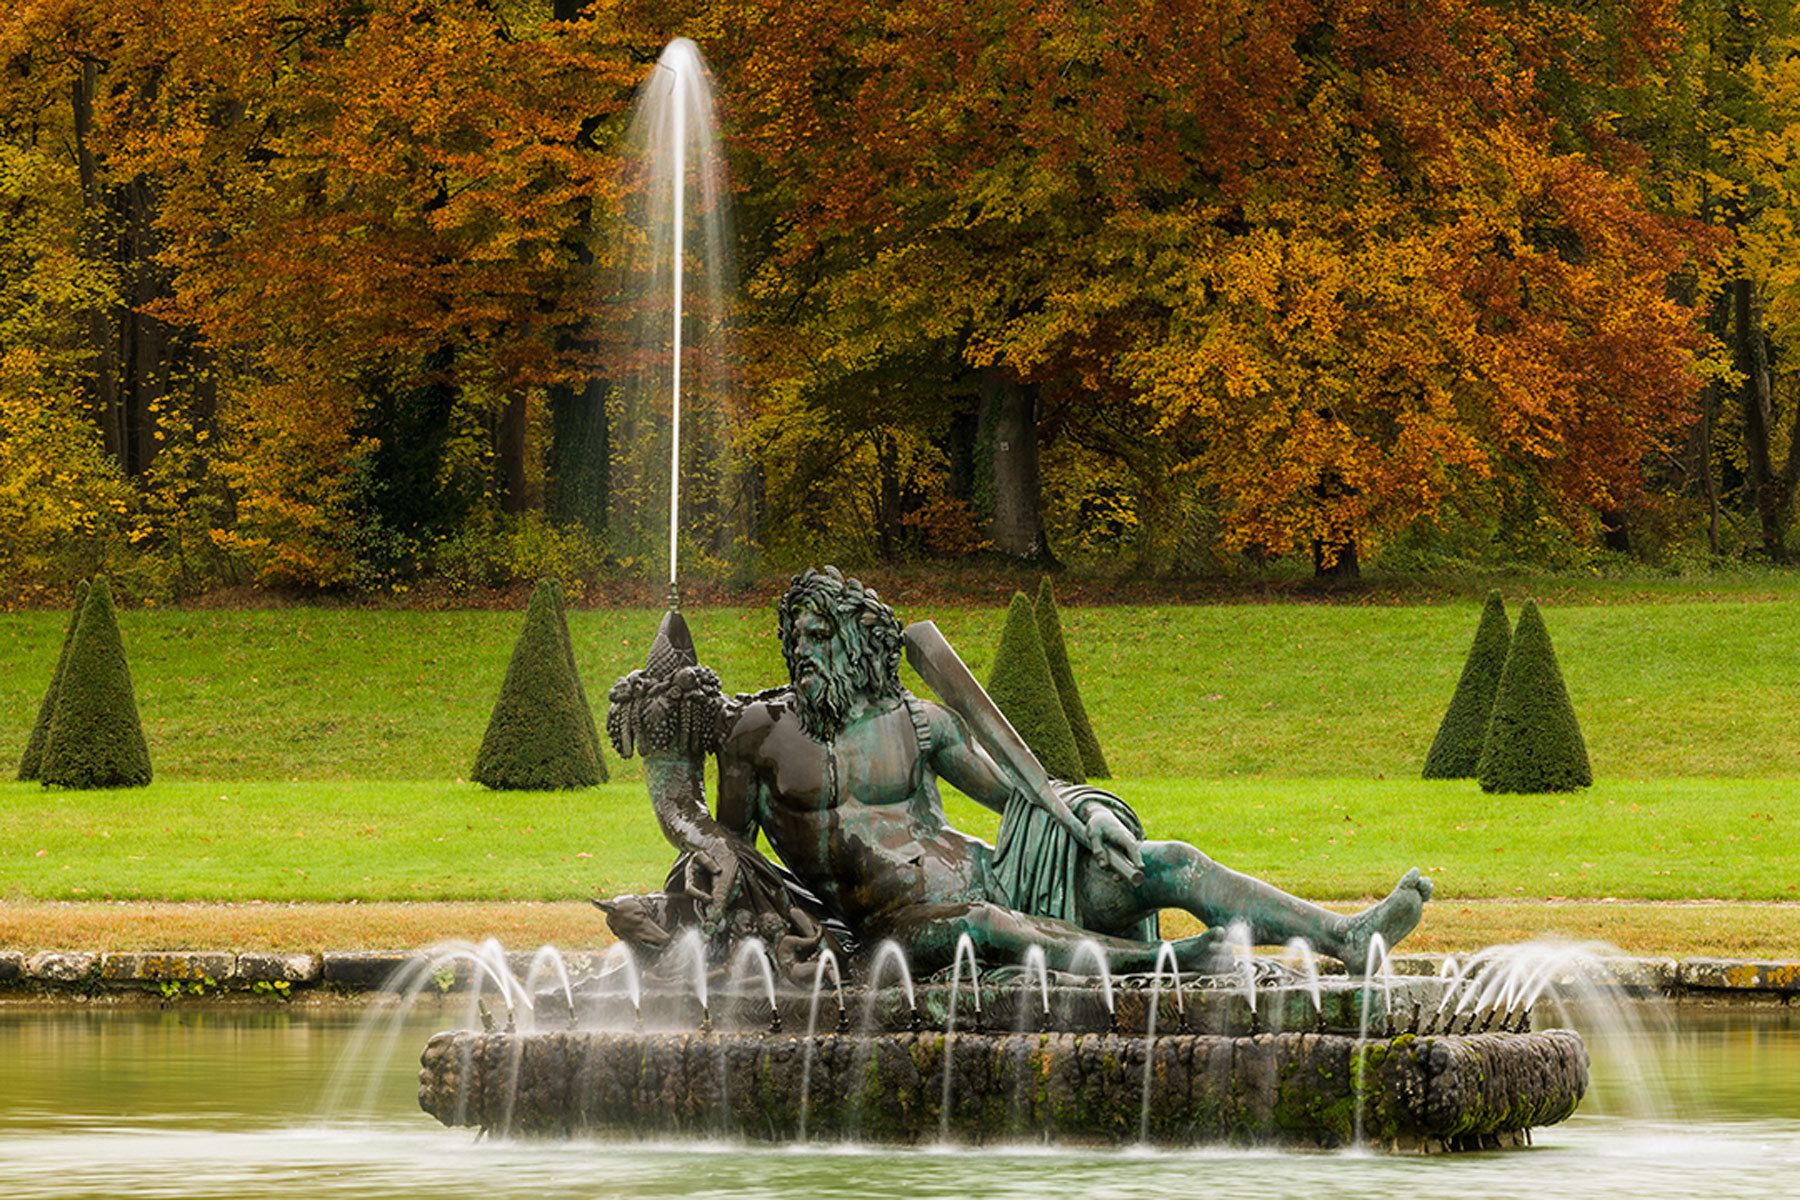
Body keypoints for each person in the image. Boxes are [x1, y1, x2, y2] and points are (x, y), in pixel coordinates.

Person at [660, 567, 1430, 976]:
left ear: (866, 646)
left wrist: (1086, 816)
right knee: (985, 928)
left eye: (824, 634)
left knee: (1168, 863)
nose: (808, 647)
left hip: (995, 876)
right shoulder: (759, 734)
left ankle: (1344, 935)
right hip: (892, 928)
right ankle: (1157, 965)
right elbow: (733, 849)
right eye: (798, 634)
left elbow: (1022, 794)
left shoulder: (921, 721)